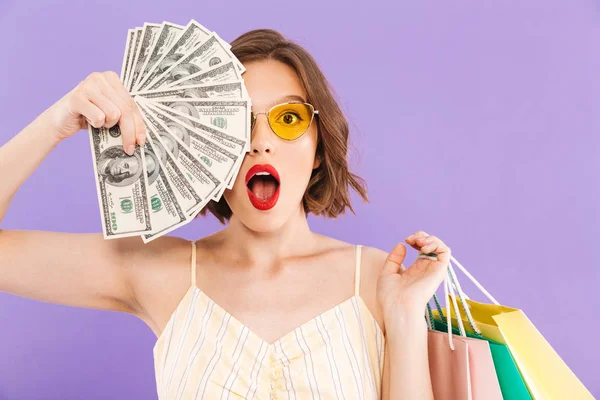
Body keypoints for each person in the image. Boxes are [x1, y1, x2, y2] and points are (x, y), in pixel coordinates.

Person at [0, 28, 451, 399]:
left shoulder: (377, 281)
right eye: (237, 121)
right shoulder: (163, 273)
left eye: (288, 119)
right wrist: (58, 121)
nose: (260, 143)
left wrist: (406, 315)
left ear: (318, 149)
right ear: (205, 145)